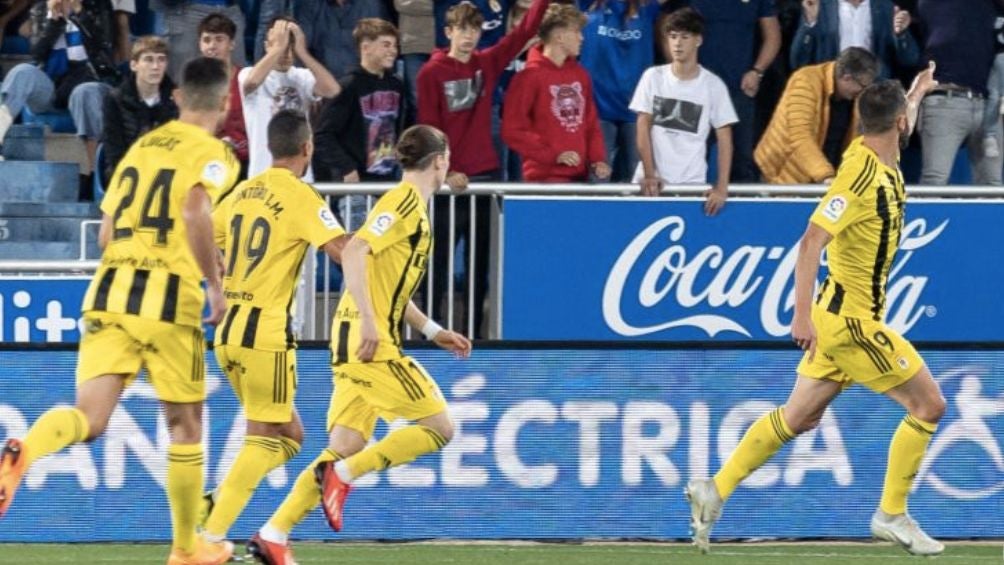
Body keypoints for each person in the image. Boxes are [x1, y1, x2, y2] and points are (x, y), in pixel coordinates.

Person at [685, 67, 946, 557]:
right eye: (907, 115)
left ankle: (714, 488)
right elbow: (810, 242)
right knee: (929, 406)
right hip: (849, 322)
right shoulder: (860, 176)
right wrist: (799, 316)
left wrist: (919, 89)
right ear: (899, 128)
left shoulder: (872, 144)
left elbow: (897, 113)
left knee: (797, 418)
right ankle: (892, 514)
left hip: (839, 316)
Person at [0, 56, 240, 565]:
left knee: (89, 417)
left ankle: (23, 452)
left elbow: (107, 232)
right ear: (225, 103)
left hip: (109, 291)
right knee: (185, 426)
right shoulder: (215, 152)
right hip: (169, 298)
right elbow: (195, 208)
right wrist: (215, 285)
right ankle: (185, 547)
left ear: (177, 98)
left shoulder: (140, 150)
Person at [246, 125, 472, 565]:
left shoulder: (414, 207)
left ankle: (274, 532)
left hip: (354, 336)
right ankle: (344, 475)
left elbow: (386, 282)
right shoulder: (403, 203)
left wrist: (430, 330)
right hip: (370, 341)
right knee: (439, 428)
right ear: (440, 160)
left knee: (344, 443)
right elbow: (354, 252)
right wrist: (371, 322)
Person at [199, 109, 349, 549]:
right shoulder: (301, 196)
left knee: (289, 437)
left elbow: (203, 230)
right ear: (308, 148)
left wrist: (217, 269)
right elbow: (341, 250)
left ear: (269, 148)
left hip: (228, 333)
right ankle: (209, 539)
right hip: (265, 333)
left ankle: (217, 503)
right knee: (266, 440)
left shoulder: (245, 191)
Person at [661, 0, 782, 183]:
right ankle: (678, 210)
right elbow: (665, 28)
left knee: (742, 162)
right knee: (679, 157)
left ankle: (742, 210)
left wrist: (757, 72)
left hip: (738, 91)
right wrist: (679, 71)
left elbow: (773, 37)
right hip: (690, 90)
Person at [632, 7, 737, 215]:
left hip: (691, 185)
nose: (677, 43)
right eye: (672, 37)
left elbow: (725, 139)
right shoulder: (653, 77)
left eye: (684, 37)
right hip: (650, 187)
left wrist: (722, 187)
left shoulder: (713, 85)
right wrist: (650, 174)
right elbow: (643, 126)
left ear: (698, 40)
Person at [0, 0, 120, 181]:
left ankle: (94, 173)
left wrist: (80, 14)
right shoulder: (41, 9)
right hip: (52, 87)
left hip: (92, 82)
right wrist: (55, 22)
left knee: (84, 93)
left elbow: (104, 48)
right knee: (21, 72)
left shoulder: (99, 6)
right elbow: (37, 53)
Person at [313, 17, 409, 228]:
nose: (393, 51)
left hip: (388, 184)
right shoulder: (348, 86)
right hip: (356, 188)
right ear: (366, 47)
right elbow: (322, 135)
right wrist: (347, 169)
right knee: (357, 254)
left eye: (394, 45)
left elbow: (402, 129)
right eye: (386, 45)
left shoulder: (397, 86)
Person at [501, 3, 610, 182]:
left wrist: (597, 159)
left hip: (580, 178)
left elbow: (590, 123)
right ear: (560, 36)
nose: (581, 38)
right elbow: (512, 130)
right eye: (576, 32)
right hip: (542, 180)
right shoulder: (528, 77)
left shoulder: (581, 75)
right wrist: (552, 155)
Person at [755, 46, 878, 184]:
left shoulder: (856, 98)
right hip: (781, 177)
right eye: (862, 86)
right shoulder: (805, 81)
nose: (863, 92)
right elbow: (800, 137)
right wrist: (826, 176)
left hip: (825, 180)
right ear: (847, 77)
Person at [240, 15, 341, 180]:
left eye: (290, 47)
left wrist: (303, 52)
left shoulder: (303, 77)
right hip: (262, 177)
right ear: (266, 46)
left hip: (302, 179)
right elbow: (251, 83)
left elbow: (333, 90)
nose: (286, 53)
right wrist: (278, 48)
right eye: (282, 46)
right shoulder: (248, 74)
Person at [916, 0, 1001, 185]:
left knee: (993, 185)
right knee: (935, 180)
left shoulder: (992, 7)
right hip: (945, 101)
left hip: (988, 106)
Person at [578, 0, 664, 182]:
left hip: (636, 110)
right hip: (597, 109)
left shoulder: (647, 8)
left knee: (637, 179)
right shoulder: (589, 5)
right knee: (598, 181)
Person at [101, 36, 179, 182]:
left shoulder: (177, 98)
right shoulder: (114, 100)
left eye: (161, 60)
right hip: (127, 173)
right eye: (148, 60)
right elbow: (114, 152)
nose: (155, 66)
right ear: (134, 65)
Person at [790, 0, 919, 79]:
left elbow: (910, 60)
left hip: (874, 93)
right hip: (832, 93)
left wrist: (902, 34)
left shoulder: (885, 7)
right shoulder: (819, 6)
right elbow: (798, 62)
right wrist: (809, 24)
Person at [198, 13, 249, 175]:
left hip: (246, 165)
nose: (212, 46)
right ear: (200, 44)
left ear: (232, 44)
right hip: (207, 165)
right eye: (207, 40)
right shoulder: (192, 85)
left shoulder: (246, 79)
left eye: (219, 39)